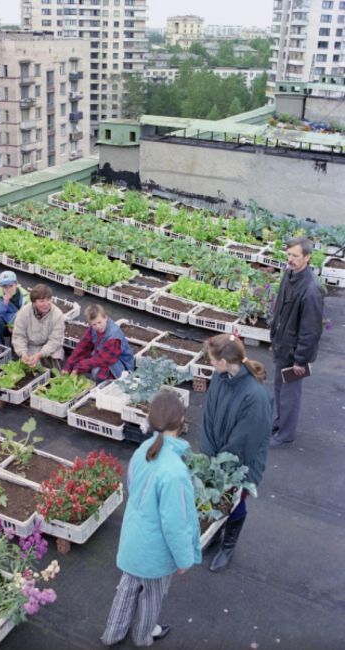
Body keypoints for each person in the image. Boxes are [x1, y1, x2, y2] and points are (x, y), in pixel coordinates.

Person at [101, 391, 202, 647]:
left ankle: (113, 633)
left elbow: (133, 487)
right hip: (156, 552)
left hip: (133, 539)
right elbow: (175, 524)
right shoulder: (175, 472)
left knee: (127, 588)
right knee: (152, 596)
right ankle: (144, 636)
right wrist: (183, 559)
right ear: (181, 421)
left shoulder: (143, 450)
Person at [200, 333, 272, 572]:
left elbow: (244, 443)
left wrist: (220, 465)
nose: (209, 363)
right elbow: (208, 416)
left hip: (242, 464)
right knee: (218, 498)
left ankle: (228, 546)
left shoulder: (256, 396)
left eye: (211, 359)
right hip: (217, 455)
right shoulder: (220, 377)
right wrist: (209, 452)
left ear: (223, 361)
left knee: (235, 501)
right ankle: (217, 533)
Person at [270, 236, 324, 447]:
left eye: (295, 256)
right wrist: (274, 336)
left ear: (307, 258)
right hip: (282, 345)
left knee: (290, 394)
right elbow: (280, 309)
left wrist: (300, 360)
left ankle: (286, 434)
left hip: (294, 353)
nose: (290, 259)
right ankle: (280, 422)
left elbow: (311, 331)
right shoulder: (289, 274)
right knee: (278, 388)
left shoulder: (311, 290)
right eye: (289, 254)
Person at [63, 304, 134, 382]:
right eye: (94, 324)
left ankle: (108, 383)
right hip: (103, 354)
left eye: (99, 322)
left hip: (119, 364)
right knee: (84, 356)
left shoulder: (114, 337)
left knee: (96, 372)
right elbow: (82, 346)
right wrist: (68, 365)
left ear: (105, 318)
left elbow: (102, 359)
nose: (98, 326)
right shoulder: (93, 329)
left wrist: (78, 367)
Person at [12, 283, 65, 370]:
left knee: (55, 366)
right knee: (29, 368)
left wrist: (40, 354)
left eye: (48, 300)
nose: (46, 304)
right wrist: (23, 353)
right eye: (41, 301)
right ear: (34, 302)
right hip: (31, 346)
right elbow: (19, 336)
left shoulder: (57, 314)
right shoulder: (24, 312)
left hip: (51, 346)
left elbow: (55, 340)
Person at [0, 270, 29, 345]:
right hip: (4, 325)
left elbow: (27, 316)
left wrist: (14, 325)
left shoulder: (25, 296)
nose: (8, 289)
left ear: (16, 284)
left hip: (18, 326)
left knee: (15, 347)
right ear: (1, 286)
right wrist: (4, 303)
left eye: (11, 286)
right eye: (5, 287)